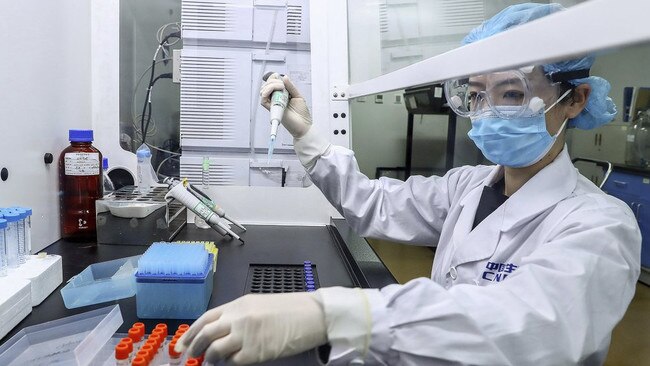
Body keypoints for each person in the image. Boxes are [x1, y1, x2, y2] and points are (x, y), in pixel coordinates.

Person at [175, 3, 641, 365]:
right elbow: (376, 203)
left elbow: (532, 325)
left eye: (513, 94)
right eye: (477, 95)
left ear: (574, 99)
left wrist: (336, 315)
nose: (488, 112)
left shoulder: (601, 225)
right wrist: (308, 134)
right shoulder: (468, 186)